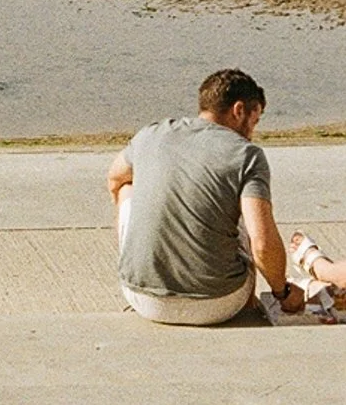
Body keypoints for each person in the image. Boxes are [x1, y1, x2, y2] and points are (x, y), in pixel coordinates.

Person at [107, 69, 303, 324]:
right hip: (219, 304)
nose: (252, 132)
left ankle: (146, 268)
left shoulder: (150, 135)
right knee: (242, 212)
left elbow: (114, 179)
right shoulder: (247, 155)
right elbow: (262, 243)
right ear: (239, 110)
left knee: (127, 188)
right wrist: (283, 292)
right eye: (255, 121)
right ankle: (246, 299)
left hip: (142, 299)